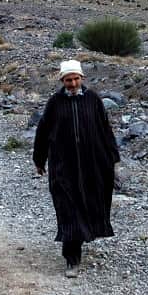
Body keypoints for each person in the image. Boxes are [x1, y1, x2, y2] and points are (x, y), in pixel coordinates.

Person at [32, 59, 120, 278]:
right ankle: (72, 259)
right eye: (68, 80)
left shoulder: (93, 100)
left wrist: (112, 157)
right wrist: (39, 159)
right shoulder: (55, 103)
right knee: (68, 210)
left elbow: (105, 128)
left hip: (92, 165)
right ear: (62, 80)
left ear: (82, 78)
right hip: (64, 167)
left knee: (89, 204)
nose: (72, 84)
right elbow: (43, 132)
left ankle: (85, 237)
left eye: (75, 79)